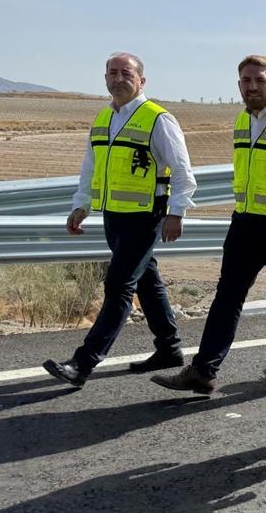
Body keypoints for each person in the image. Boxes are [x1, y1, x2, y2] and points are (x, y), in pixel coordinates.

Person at [153, 55, 266, 395]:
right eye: (246, 80)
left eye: (259, 80)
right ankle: (203, 371)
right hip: (246, 223)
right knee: (227, 297)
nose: (252, 86)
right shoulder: (243, 121)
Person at [43, 53, 196, 388]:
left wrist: (176, 212)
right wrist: (80, 205)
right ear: (105, 78)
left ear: (142, 80)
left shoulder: (158, 119)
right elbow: (90, 167)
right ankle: (169, 348)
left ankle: (83, 363)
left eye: (126, 73)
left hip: (145, 216)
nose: (118, 78)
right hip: (114, 216)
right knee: (147, 281)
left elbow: (184, 173)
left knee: (118, 285)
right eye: (112, 73)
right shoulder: (103, 118)